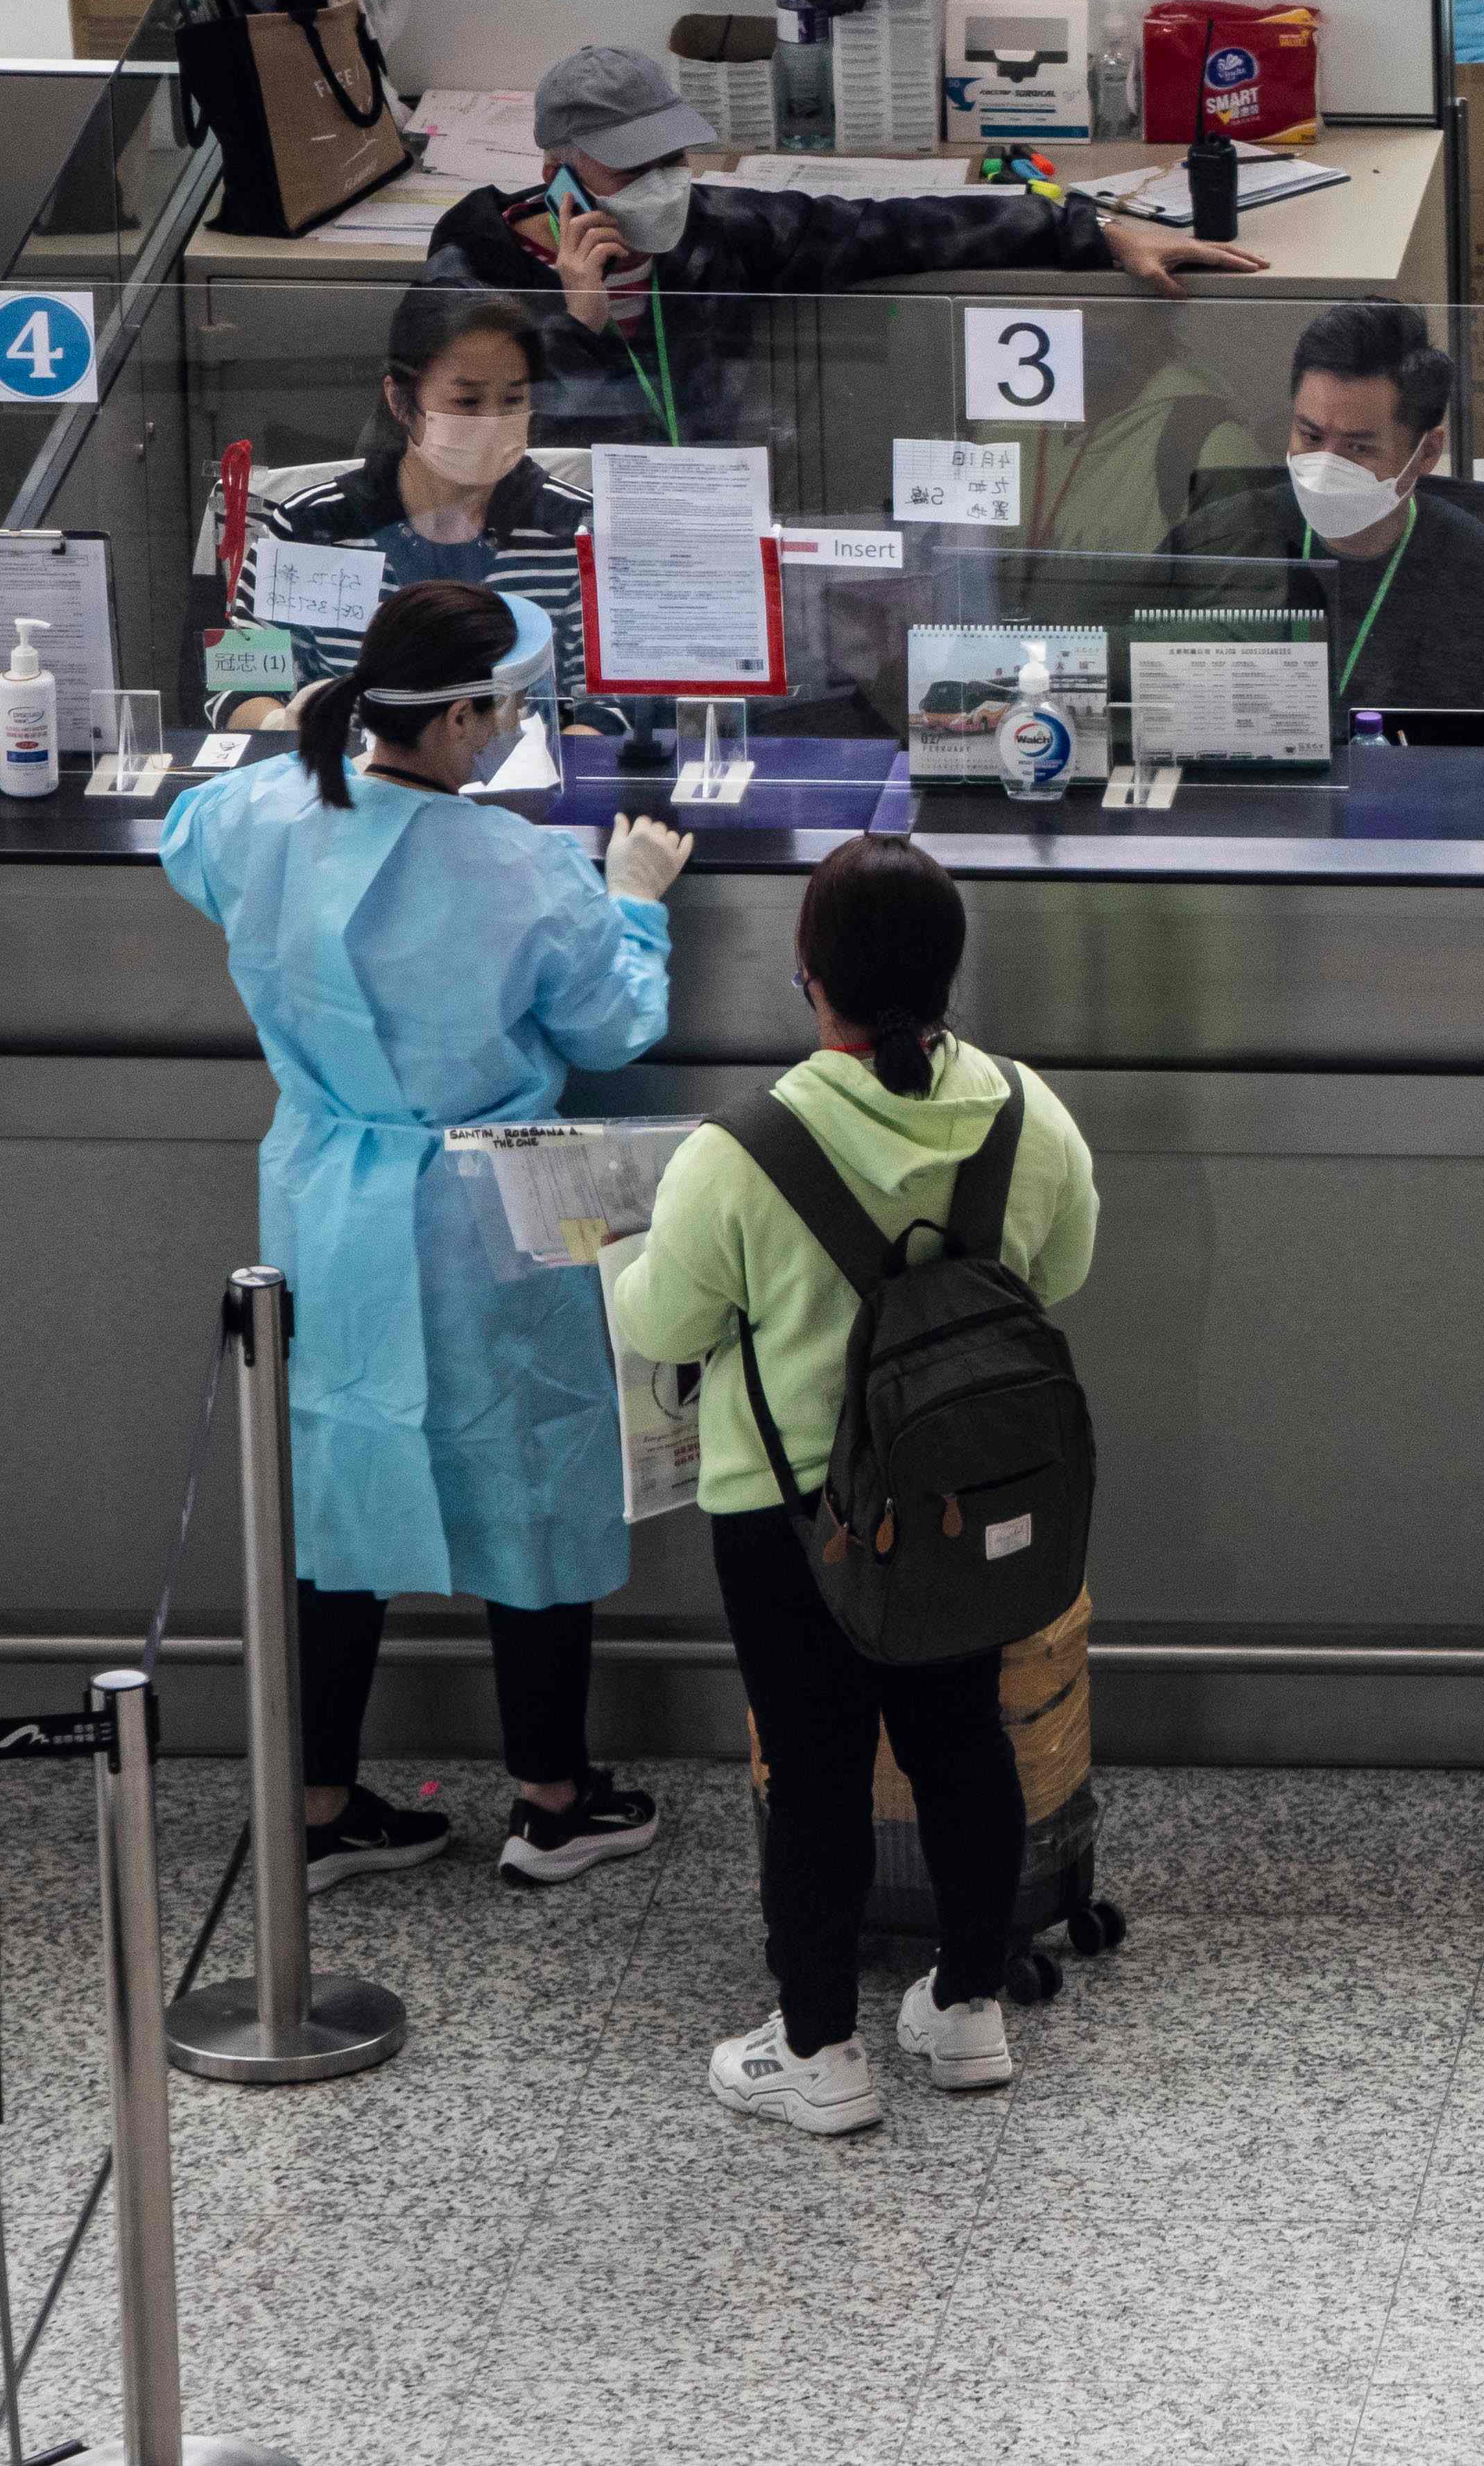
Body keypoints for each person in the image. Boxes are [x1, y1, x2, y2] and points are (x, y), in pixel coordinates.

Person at [157, 581, 688, 1892]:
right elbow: (615, 1026)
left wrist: (292, 739)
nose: (512, 731)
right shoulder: (521, 866)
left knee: (330, 1484)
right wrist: (633, 894)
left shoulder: (261, 809)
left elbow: (185, 838)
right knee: (540, 1473)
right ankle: (555, 1800)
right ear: (459, 717)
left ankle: (321, 1803)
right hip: (491, 1205)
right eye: (505, 712)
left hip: (327, 1193)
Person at [608, 836, 1103, 2137]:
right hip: (963, 1495)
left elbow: (662, 1320)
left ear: (807, 975)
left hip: (788, 1515)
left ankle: (816, 2047)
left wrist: (620, 1262)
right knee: (961, 1733)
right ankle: (968, 2007)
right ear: (947, 972)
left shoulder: (743, 1148)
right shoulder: (1023, 1113)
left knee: (816, 1766)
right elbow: (1063, 1266)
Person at [424, 45, 1263, 449]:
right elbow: (488, 443)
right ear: (554, 171)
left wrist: (1097, 232)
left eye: (669, 158)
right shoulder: (475, 263)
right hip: (556, 556)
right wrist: (583, 319)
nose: (659, 182)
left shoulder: (714, 231)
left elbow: (881, 226)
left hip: (714, 521)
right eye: (627, 167)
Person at [1159, 296, 1484, 733]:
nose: (1325, 466)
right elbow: (1122, 676)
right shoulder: (1219, 540)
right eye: (1311, 435)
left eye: (1359, 448)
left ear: (1427, 452)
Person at [233, 284, 599, 726]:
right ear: (399, 401)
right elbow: (237, 685)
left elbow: (613, 708)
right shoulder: (310, 526)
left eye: (513, 400)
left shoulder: (578, 530)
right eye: (467, 401)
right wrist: (287, 732)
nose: (492, 423)